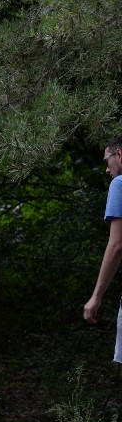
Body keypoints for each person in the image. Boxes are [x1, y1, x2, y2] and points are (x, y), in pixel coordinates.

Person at [83, 134, 122, 365]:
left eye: (106, 161)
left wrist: (96, 296)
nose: (107, 170)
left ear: (119, 154)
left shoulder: (119, 184)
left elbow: (117, 245)